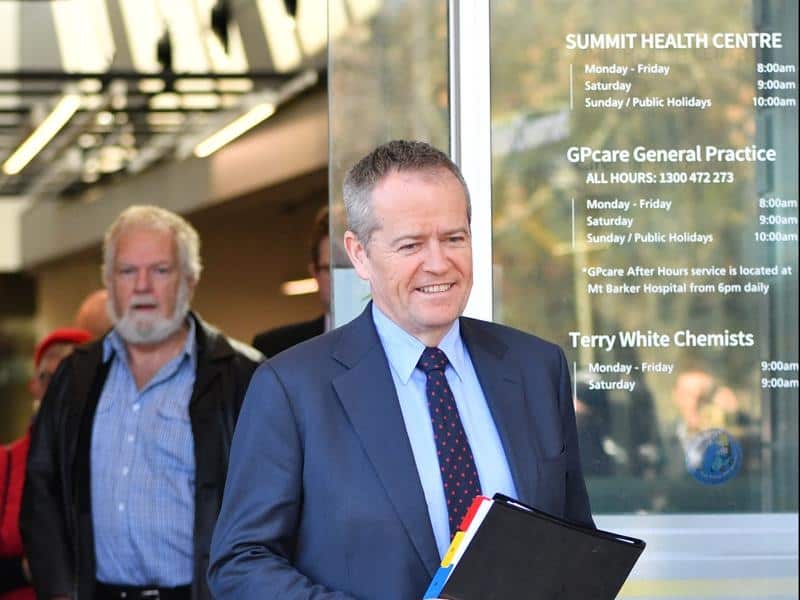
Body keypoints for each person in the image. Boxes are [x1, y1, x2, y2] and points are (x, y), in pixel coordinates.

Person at [208, 140, 593, 599]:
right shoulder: (292, 388)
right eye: (411, 244)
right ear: (359, 254)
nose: (438, 263)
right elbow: (241, 563)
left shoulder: (536, 369)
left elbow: (573, 540)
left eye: (454, 238)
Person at [21, 205, 262, 600]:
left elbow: (271, 509)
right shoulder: (74, 375)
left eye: (160, 271)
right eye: (128, 271)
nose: (142, 286)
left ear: (190, 280)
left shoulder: (243, 376)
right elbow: (41, 495)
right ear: (109, 282)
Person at [1, 328, 92, 600]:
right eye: (48, 378)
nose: (57, 390)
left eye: (70, 380)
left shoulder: (113, 464)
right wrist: (29, 569)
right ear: (34, 386)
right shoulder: (5, 464)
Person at [252, 206, 331, 357]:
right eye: (332, 269)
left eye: (353, 267)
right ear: (314, 272)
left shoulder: (388, 343)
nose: (345, 280)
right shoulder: (276, 349)